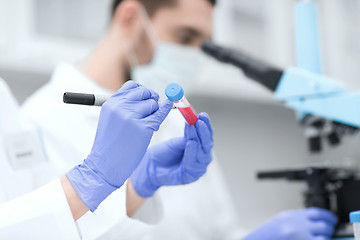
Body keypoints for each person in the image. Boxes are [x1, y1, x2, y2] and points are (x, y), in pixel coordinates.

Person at [21, 0, 337, 239]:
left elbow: (217, 232)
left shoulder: (175, 118)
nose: (192, 57)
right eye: (185, 36)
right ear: (130, 18)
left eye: (202, 46)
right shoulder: (39, 123)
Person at [0, 79, 177, 238]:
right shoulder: (42, 112)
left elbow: (57, 218)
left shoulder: (3, 95)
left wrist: (138, 188)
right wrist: (92, 177)